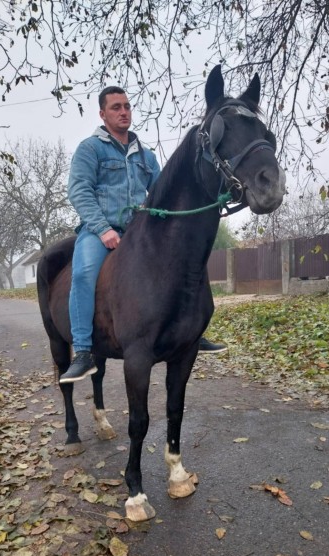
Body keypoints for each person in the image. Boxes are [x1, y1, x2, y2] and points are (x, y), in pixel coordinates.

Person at [60, 86, 227, 383]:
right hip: (99, 231)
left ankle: (190, 334)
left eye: (126, 106)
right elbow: (79, 191)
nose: (123, 111)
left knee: (182, 265)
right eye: (115, 107)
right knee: (84, 273)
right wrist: (103, 229)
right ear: (103, 114)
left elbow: (163, 192)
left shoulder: (145, 156)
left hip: (140, 231)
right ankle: (84, 351)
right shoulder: (91, 149)